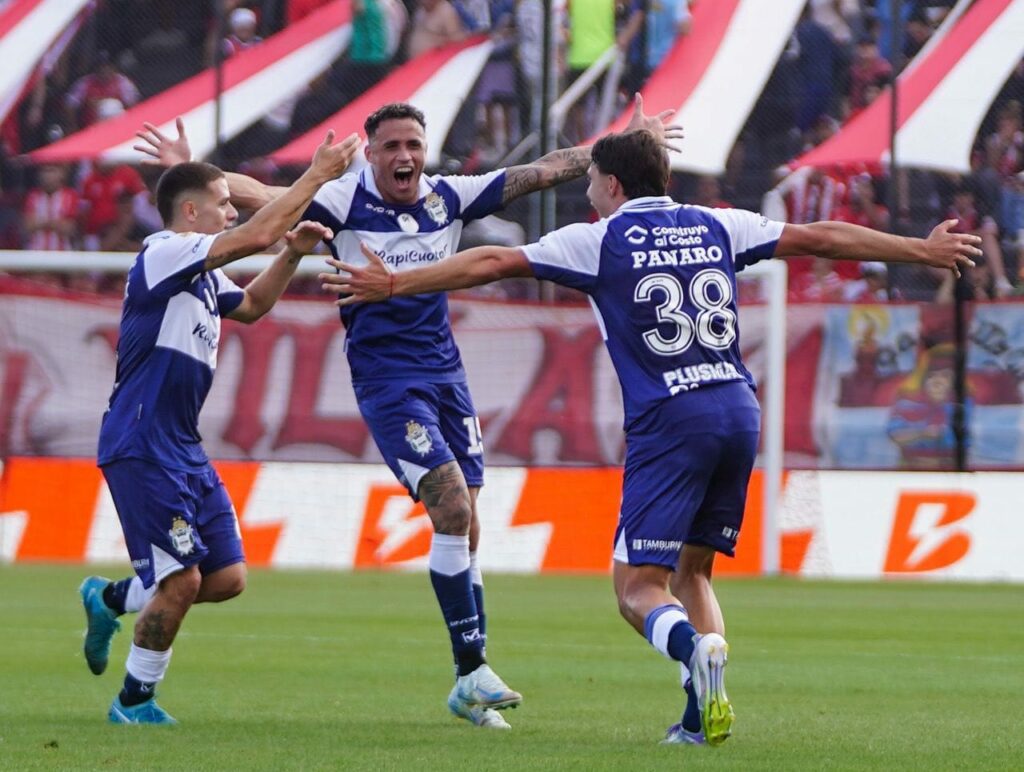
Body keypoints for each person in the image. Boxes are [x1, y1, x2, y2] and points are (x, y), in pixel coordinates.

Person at [322, 128, 980, 745]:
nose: (587, 194)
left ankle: (695, 652)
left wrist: (394, 282)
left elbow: (493, 261)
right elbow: (822, 239)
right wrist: (919, 251)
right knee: (694, 572)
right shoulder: (718, 222)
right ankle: (698, 717)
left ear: (611, 185)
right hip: (737, 409)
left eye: (592, 184)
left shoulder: (600, 238)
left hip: (672, 419)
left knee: (637, 590)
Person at [133, 97, 681, 730]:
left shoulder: (449, 196)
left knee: (468, 521)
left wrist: (626, 145)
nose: (404, 157)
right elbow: (258, 196)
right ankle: (473, 671)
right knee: (450, 507)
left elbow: (547, 168)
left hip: (448, 377)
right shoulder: (342, 199)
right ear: (369, 153)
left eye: (413, 145)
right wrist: (190, 170)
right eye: (391, 146)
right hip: (388, 382)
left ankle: (467, 679)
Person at [79, 129, 360, 725]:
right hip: (142, 441)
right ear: (190, 212)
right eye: (223, 203)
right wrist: (316, 176)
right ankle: (134, 703)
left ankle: (111, 598)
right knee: (181, 582)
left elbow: (254, 307)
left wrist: (292, 254)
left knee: (226, 578)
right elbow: (256, 232)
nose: (232, 210)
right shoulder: (163, 252)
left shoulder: (201, 275)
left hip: (181, 445)